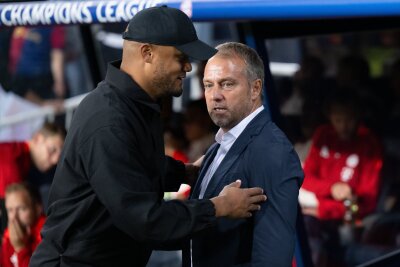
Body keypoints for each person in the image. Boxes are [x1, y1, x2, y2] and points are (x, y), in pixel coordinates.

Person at [30, 6, 266, 267]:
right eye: (180, 56)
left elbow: (131, 167)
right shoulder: (108, 120)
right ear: (147, 53)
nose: (188, 66)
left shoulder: (134, 104)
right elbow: (145, 219)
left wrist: (183, 172)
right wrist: (219, 207)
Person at [184, 42, 304, 267]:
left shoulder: (272, 152)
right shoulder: (222, 141)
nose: (214, 95)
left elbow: (272, 261)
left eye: (227, 84)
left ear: (255, 89)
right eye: (208, 85)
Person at [300, 89, 383, 266]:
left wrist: (323, 209)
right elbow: (305, 177)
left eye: (350, 119)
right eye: (338, 120)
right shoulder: (323, 135)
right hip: (311, 207)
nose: (344, 126)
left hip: (343, 220)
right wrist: (331, 188)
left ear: (359, 117)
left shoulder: (369, 144)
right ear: (330, 117)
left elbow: (367, 202)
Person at [0, 122, 65, 235]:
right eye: (52, 150)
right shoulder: (12, 161)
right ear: (37, 138)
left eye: (59, 157)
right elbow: (9, 226)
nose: (55, 160)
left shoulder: (18, 156)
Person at [0, 183, 45, 267]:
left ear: (37, 209)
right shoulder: (8, 236)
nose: (14, 217)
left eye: (21, 208)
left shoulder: (47, 236)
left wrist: (20, 248)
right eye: (10, 210)